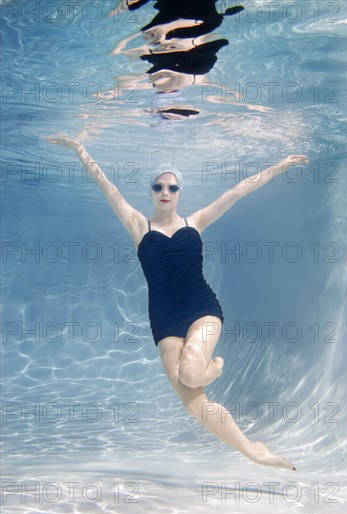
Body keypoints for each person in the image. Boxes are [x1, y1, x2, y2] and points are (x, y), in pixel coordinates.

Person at [46, 133, 308, 470]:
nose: (165, 193)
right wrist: (79, 149)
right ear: (151, 192)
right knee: (191, 400)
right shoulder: (138, 225)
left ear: (180, 191)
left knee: (191, 373)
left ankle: (213, 369)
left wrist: (281, 166)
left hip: (202, 308)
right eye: (158, 188)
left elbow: (237, 192)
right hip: (165, 319)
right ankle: (252, 451)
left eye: (172, 188)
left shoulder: (194, 222)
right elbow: (106, 186)